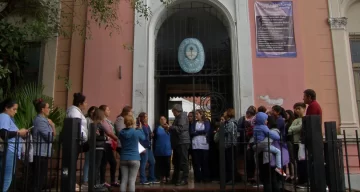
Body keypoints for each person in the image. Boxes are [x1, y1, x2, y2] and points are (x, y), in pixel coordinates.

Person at [0, 99, 28, 191]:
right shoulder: (5, 116)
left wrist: (20, 134)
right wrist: (19, 133)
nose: (15, 112)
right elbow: (3, 134)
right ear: (6, 108)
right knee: (7, 177)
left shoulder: (8, 118)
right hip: (10, 149)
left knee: (5, 176)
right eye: (14, 109)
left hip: (11, 150)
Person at [31, 98, 56, 191]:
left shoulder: (44, 120)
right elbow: (50, 138)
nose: (49, 109)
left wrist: (52, 128)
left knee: (41, 177)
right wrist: (53, 126)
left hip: (43, 152)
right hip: (40, 152)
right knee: (38, 179)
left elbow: (53, 136)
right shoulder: (40, 121)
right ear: (42, 109)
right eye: (48, 108)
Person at [162, 104, 190, 186]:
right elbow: (177, 129)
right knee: (176, 162)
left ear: (176, 110)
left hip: (182, 142)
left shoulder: (182, 117)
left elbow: (180, 129)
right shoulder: (178, 117)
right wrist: (168, 128)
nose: (172, 112)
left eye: (173, 111)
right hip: (178, 142)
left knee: (183, 161)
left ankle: (185, 179)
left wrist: (170, 127)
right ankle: (175, 179)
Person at [253, 112, 286, 176]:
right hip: (264, 145)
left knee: (255, 155)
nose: (267, 121)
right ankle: (279, 167)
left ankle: (257, 167)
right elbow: (270, 134)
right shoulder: (264, 127)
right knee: (278, 151)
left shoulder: (255, 127)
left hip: (257, 144)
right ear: (262, 120)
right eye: (266, 120)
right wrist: (278, 137)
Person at [119, 115, 145, 192]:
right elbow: (143, 138)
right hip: (134, 157)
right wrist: (140, 129)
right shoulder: (136, 132)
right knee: (132, 181)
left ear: (125, 122)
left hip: (123, 157)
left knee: (123, 180)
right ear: (133, 122)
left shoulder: (121, 132)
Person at [98, 105, 119, 187]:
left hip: (109, 144)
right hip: (105, 144)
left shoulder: (107, 121)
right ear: (103, 111)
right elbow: (109, 132)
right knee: (105, 163)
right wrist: (117, 138)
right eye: (108, 109)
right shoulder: (102, 121)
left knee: (112, 162)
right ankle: (102, 181)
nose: (109, 111)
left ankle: (112, 181)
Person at [138, 112, 159, 185]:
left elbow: (150, 133)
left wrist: (151, 134)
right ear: (142, 118)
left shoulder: (147, 126)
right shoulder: (140, 126)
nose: (147, 118)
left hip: (149, 146)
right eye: (145, 116)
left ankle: (152, 178)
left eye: (147, 116)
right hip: (144, 147)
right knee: (143, 163)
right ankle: (143, 179)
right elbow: (140, 137)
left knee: (152, 162)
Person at [190, 109, 210, 183]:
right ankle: (198, 178)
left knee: (204, 162)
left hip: (204, 145)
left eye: (197, 114)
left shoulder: (206, 122)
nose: (196, 116)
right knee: (196, 163)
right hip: (195, 145)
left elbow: (206, 130)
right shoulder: (193, 123)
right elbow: (191, 132)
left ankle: (206, 178)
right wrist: (200, 132)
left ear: (201, 114)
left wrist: (197, 132)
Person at [91, 108, 109, 190]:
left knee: (97, 166)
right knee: (97, 166)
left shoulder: (94, 124)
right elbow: (97, 137)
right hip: (99, 147)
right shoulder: (98, 125)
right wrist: (105, 138)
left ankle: (96, 183)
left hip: (98, 146)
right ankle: (95, 183)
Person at [114, 105, 133, 183]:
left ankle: (123, 178)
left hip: (126, 144)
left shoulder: (125, 119)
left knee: (126, 161)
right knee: (124, 162)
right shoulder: (120, 120)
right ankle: (122, 179)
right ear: (127, 112)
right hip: (121, 144)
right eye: (131, 111)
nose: (132, 113)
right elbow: (121, 132)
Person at [223, 108, 241, 184]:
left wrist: (221, 127)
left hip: (231, 144)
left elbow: (227, 131)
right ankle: (229, 178)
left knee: (231, 163)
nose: (223, 115)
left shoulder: (231, 123)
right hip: (228, 144)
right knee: (229, 162)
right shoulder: (228, 122)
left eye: (225, 113)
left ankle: (232, 179)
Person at [153, 116, 172, 183]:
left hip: (167, 149)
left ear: (166, 120)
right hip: (159, 149)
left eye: (164, 119)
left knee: (167, 163)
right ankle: (160, 177)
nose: (162, 120)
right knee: (159, 164)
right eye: (161, 119)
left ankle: (167, 176)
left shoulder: (170, 128)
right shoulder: (156, 128)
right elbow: (154, 138)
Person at [82, 106, 97, 186]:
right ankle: (85, 179)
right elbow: (86, 131)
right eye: (91, 112)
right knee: (87, 161)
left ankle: (93, 178)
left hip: (97, 144)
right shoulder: (87, 120)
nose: (93, 114)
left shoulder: (97, 121)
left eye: (94, 112)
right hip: (89, 143)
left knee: (95, 162)